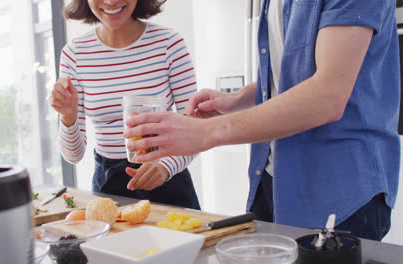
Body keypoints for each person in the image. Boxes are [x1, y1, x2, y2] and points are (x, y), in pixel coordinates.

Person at [124, 0, 400, 241]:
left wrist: (207, 132)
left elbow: (327, 95)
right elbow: (296, 73)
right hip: (274, 181)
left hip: (340, 191)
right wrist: (238, 99)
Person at [49, 0, 200, 210]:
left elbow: (196, 130)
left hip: (167, 181)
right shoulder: (74, 54)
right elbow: (73, 155)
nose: (111, 1)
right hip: (108, 188)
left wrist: (165, 167)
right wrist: (68, 117)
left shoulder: (169, 44)